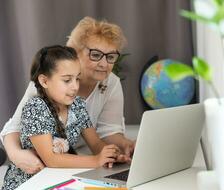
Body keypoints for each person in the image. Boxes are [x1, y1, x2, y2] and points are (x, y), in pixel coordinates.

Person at [0, 17, 135, 175]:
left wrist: (118, 152)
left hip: (75, 161)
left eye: (111, 56)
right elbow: (15, 128)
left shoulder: (88, 98)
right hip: (40, 167)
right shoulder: (42, 92)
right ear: (75, 53)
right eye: (96, 54)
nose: (104, 64)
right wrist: (16, 155)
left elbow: (104, 135)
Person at [0, 45, 129, 190]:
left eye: (77, 79)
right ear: (44, 81)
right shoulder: (36, 108)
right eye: (67, 80)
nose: (75, 86)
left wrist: (111, 155)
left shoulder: (78, 105)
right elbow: (51, 160)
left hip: (59, 180)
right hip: (29, 185)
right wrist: (95, 160)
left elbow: (95, 143)